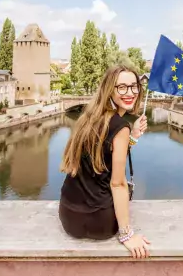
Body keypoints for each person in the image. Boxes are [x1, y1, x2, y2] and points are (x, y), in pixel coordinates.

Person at [59, 65, 151, 258]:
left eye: (134, 86)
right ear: (110, 89)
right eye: (122, 87)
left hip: (68, 217)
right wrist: (127, 235)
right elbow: (117, 183)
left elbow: (104, 158)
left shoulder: (88, 119)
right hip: (100, 222)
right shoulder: (120, 127)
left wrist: (133, 137)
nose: (131, 92)